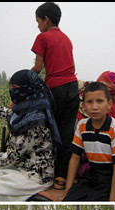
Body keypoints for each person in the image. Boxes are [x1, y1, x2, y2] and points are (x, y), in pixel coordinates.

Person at [0, 70, 60, 201]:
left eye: (15, 88)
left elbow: (16, 155)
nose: (12, 91)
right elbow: (10, 115)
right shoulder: (27, 110)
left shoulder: (36, 121)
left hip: (35, 175)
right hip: (22, 166)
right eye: (10, 88)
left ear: (29, 89)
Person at [31, 2, 80, 192]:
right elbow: (73, 67)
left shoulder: (42, 37)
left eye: (38, 21)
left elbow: (37, 67)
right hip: (72, 87)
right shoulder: (67, 39)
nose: (37, 26)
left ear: (46, 19)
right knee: (67, 132)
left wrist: (20, 79)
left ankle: (45, 174)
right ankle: (61, 177)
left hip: (56, 88)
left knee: (50, 132)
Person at [59, 82, 115, 201]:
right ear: (84, 105)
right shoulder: (82, 126)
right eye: (89, 102)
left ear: (109, 104)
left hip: (112, 177)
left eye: (100, 101)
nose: (94, 107)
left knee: (94, 201)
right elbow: (75, 158)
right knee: (70, 200)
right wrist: (67, 191)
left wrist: (113, 201)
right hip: (92, 175)